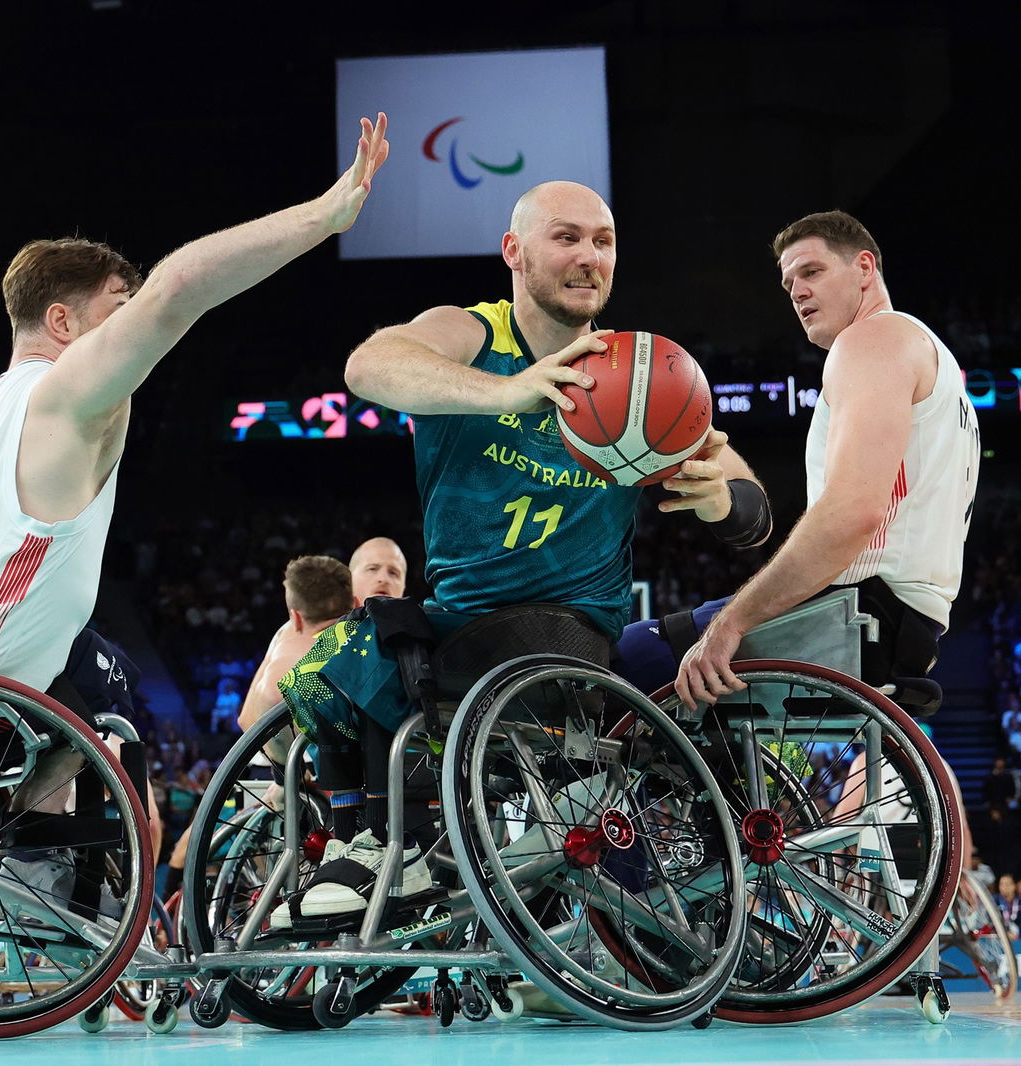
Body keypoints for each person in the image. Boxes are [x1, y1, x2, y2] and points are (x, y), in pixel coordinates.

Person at [0, 112, 388, 831]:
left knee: (96, 672)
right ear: (63, 324)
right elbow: (178, 287)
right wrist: (325, 215)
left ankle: (4, 844)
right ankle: (22, 855)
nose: (127, 330)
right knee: (117, 721)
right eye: (115, 310)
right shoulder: (64, 397)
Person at [274, 181, 767, 921]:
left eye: (602, 241)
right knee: (337, 656)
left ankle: (381, 843)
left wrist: (721, 497)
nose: (588, 256)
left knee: (365, 643)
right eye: (566, 237)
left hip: (570, 639)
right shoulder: (474, 335)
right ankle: (372, 840)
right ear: (514, 251)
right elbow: (367, 367)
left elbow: (755, 515)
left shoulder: (635, 376)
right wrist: (508, 393)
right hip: (467, 628)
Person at [669, 210, 982, 707]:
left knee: (620, 663)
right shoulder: (931, 357)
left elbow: (853, 514)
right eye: (788, 281)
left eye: (811, 272)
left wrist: (731, 624)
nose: (796, 291)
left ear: (864, 268)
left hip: (856, 612)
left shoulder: (873, 340)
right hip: (912, 625)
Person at [163, 553, 364, 898]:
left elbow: (247, 717)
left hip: (274, 769)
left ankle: (169, 918)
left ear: (295, 615)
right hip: (291, 779)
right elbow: (269, 701)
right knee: (195, 845)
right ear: (357, 602)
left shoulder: (286, 632)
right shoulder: (351, 643)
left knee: (192, 844)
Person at [995, 873, 1021, 939]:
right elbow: (992, 922)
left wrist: (1017, 934)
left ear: (1013, 886)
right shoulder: (995, 901)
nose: (1003, 887)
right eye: (1001, 884)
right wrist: (1004, 934)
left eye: (1006, 884)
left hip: (1017, 936)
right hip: (999, 936)